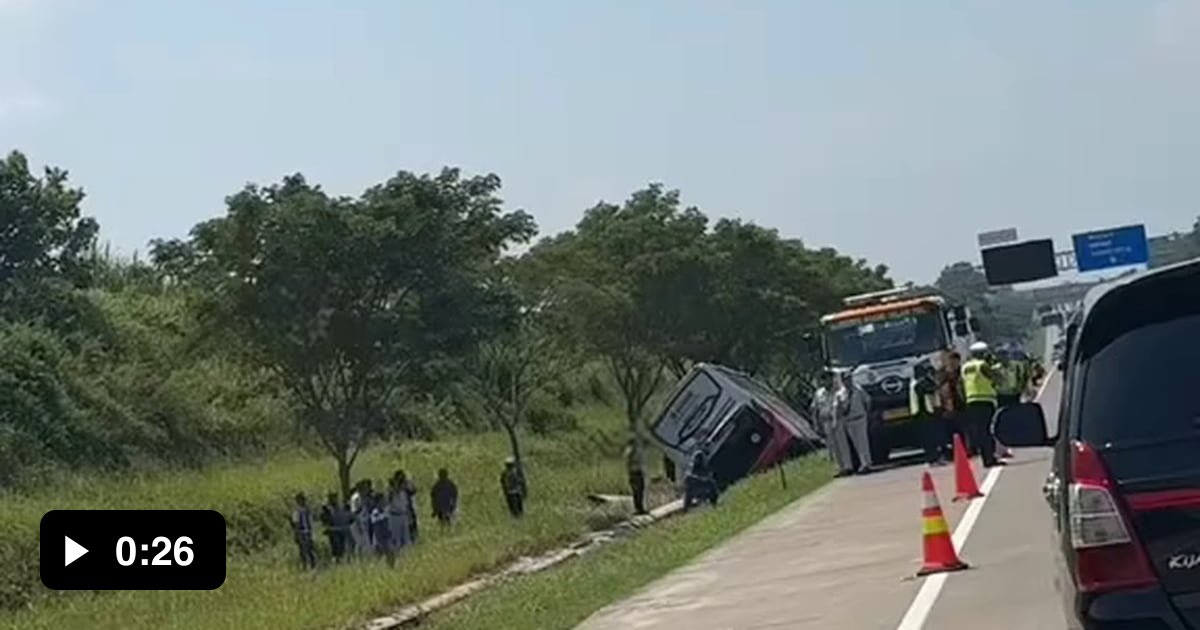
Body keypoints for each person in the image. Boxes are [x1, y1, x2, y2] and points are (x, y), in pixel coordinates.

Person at [961, 341, 1003, 468]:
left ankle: (987, 457)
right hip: (984, 400)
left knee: (980, 431)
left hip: (971, 401)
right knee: (988, 431)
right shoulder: (982, 365)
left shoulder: (965, 367)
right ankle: (990, 458)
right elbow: (996, 378)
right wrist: (996, 367)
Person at [811, 370, 852, 476]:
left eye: (828, 379)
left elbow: (845, 405)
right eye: (824, 379)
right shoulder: (819, 393)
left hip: (838, 420)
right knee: (832, 446)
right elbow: (814, 409)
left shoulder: (839, 391)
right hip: (825, 422)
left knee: (842, 444)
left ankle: (848, 466)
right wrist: (816, 424)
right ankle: (839, 467)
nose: (826, 381)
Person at [835, 370, 873, 474]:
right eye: (846, 379)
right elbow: (839, 408)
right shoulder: (840, 394)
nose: (848, 381)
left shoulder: (858, 389)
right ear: (842, 380)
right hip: (848, 421)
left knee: (863, 442)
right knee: (855, 444)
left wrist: (866, 413)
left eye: (849, 378)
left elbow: (868, 401)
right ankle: (861, 463)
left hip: (860, 418)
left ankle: (866, 464)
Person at [910, 361, 946, 466]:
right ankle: (932, 458)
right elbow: (929, 389)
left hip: (925, 413)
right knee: (930, 438)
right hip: (924, 413)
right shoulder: (918, 383)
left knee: (932, 437)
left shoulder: (916, 382)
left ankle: (935, 457)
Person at [319, 492, 352, 562]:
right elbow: (325, 523)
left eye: (335, 497)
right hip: (334, 533)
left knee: (342, 549)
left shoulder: (341, 508)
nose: (334, 499)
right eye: (332, 498)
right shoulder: (326, 510)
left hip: (342, 531)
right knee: (336, 550)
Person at [386, 474, 413, 551]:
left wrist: (409, 516)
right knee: (396, 537)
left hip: (403, 515)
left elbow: (406, 505)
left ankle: (407, 554)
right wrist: (393, 490)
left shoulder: (403, 493)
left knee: (406, 537)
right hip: (394, 516)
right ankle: (397, 553)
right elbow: (388, 500)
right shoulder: (391, 493)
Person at [290, 493, 317, 569]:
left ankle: (308, 566)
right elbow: (297, 523)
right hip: (305, 532)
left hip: (304, 532)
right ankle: (309, 566)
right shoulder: (304, 510)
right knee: (307, 550)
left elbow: (297, 523)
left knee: (306, 550)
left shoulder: (300, 511)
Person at [624, 438, 648, 515]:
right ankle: (638, 509)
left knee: (640, 490)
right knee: (637, 491)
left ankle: (640, 508)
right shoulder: (631, 451)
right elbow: (629, 461)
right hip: (634, 472)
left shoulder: (636, 451)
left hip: (637, 472)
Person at [348, 479, 372, 556]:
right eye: (365, 488)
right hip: (357, 524)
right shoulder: (356, 498)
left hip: (364, 523)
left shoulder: (364, 497)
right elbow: (354, 513)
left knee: (366, 544)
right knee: (360, 543)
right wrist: (359, 526)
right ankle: (358, 559)